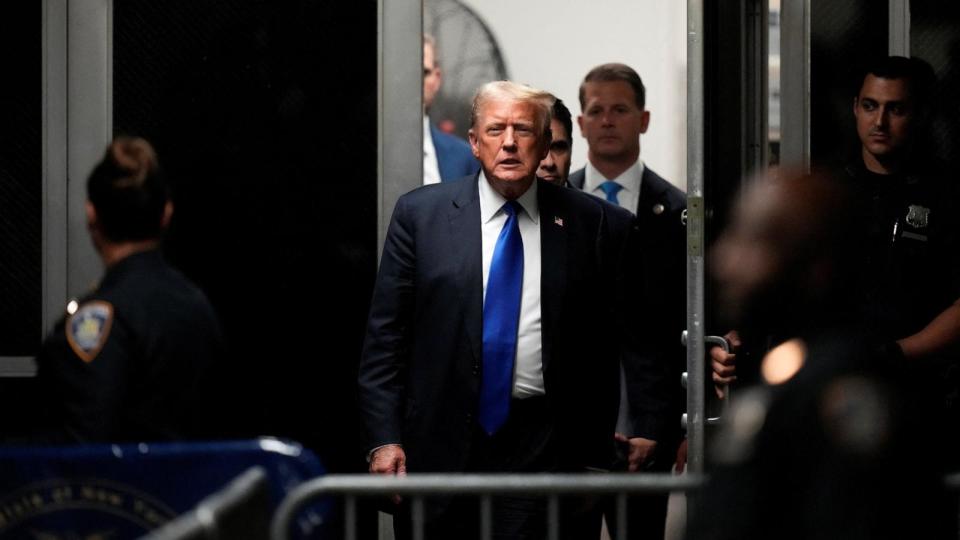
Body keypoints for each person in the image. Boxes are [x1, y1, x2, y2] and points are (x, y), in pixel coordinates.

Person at [358, 80, 670, 539]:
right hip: (440, 445)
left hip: (549, 449)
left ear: (544, 144)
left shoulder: (600, 225)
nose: (508, 142)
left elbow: (637, 335)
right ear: (474, 142)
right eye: (495, 129)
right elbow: (386, 340)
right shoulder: (420, 217)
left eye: (523, 130)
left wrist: (646, 422)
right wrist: (383, 440)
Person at [711, 56, 960, 454]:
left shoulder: (947, 193)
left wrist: (895, 353)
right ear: (855, 108)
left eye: (895, 109)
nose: (880, 122)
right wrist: (742, 343)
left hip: (920, 399)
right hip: (826, 396)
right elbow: (785, 286)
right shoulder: (826, 191)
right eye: (870, 106)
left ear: (921, 114)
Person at [690, 167, 954, 540]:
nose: (723, 260)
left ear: (816, 268)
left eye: (753, 243)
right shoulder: (787, 374)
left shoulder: (842, 397)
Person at [30, 136, 223, 443]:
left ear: (92, 216)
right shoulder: (198, 307)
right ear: (166, 215)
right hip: (197, 491)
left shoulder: (101, 320)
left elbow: (82, 452)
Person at [570, 62, 687, 539]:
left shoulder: (680, 211)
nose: (607, 120)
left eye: (620, 109)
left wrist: (675, 427)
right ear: (580, 124)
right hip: (569, 434)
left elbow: (685, 323)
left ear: (644, 119)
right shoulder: (555, 206)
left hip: (649, 427)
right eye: (596, 111)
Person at [422, 33, 478, 184]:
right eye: (408, 73)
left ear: (437, 78)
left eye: (424, 72)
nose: (415, 81)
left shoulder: (465, 157)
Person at [537, 97, 574, 187]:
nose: (549, 163)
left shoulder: (587, 201)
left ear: (571, 148)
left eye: (558, 148)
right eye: (537, 148)